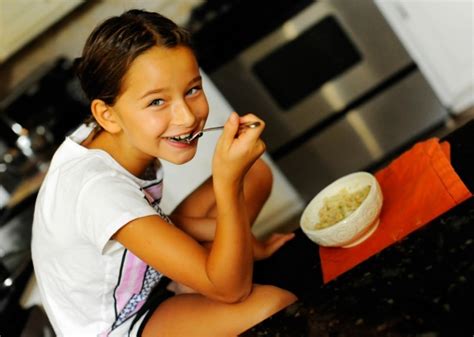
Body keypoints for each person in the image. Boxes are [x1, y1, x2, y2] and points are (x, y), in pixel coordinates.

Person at [31, 9, 297, 337]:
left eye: (192, 90)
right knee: (273, 306)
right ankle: (204, 274)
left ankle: (203, 271)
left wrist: (244, 240)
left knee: (255, 174)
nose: (186, 117)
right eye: (157, 102)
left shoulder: (109, 136)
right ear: (107, 114)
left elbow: (150, 220)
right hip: (121, 325)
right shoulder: (96, 190)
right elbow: (232, 291)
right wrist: (226, 182)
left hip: (148, 278)